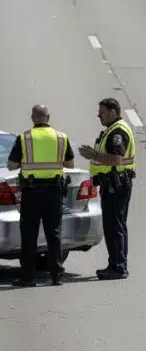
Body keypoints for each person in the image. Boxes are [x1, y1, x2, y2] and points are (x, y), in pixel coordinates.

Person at [7, 105, 74, 287]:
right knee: (54, 233)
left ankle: (28, 277)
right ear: (48, 117)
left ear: (32, 118)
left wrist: (25, 163)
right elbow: (70, 164)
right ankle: (57, 275)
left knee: (29, 234)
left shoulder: (25, 138)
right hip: (54, 191)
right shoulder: (61, 137)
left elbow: (11, 165)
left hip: (32, 192)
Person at [78, 98, 136, 280]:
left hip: (115, 184)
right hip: (114, 183)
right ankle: (116, 264)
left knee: (114, 226)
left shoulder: (117, 132)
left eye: (102, 113)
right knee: (115, 225)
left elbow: (116, 159)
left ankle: (118, 267)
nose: (99, 116)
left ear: (113, 112)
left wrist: (93, 155)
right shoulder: (112, 130)